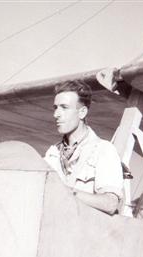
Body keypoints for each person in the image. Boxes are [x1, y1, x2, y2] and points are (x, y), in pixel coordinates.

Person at [44, 80, 123, 215]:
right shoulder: (52, 154)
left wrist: (66, 192)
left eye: (64, 107)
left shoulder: (103, 150)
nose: (56, 114)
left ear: (82, 112)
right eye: (55, 107)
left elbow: (110, 203)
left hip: (86, 232)